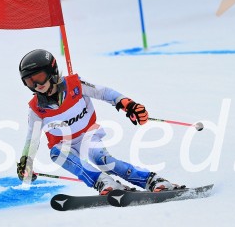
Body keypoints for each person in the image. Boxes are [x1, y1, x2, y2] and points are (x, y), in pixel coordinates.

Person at [16, 49, 183, 195]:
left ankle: (152, 180)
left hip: (88, 135)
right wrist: (26, 162)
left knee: (101, 159)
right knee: (56, 154)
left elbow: (105, 93)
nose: (36, 85)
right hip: (63, 144)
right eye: (30, 81)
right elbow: (32, 139)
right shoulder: (36, 109)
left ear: (52, 71)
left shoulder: (75, 85)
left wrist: (127, 104)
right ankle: (104, 182)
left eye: (39, 77)